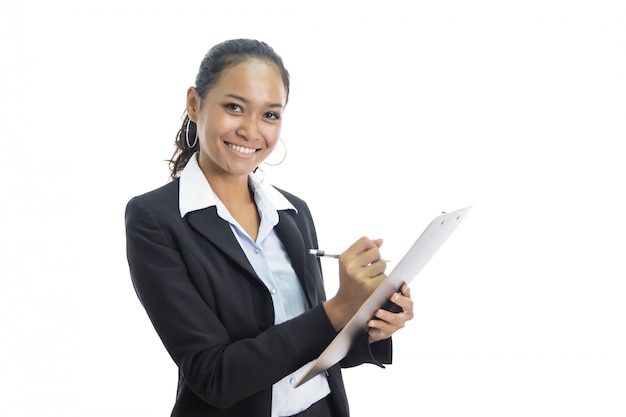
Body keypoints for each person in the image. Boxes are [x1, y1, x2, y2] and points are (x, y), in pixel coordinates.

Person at [124, 38, 414, 417]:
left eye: (270, 115)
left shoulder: (293, 212)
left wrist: (370, 324)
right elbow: (214, 377)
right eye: (234, 107)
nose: (251, 130)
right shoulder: (154, 219)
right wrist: (337, 309)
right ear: (195, 104)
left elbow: (313, 344)